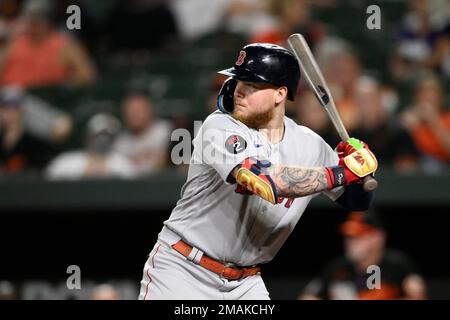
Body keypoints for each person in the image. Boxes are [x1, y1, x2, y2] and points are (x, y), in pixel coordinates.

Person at [138, 43, 378, 300]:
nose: (240, 91)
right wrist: (342, 173)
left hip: (245, 283)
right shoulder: (219, 126)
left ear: (280, 94)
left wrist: (360, 172)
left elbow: (356, 201)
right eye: (239, 81)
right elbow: (267, 182)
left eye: (252, 84)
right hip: (183, 269)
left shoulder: (310, 145)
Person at [299, 210, 427, 300]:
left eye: (358, 236)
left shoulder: (397, 265)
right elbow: (307, 297)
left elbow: (418, 296)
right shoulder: (337, 267)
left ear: (378, 238)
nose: (350, 242)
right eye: (349, 237)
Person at [45, 113, 135, 180]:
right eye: (99, 134)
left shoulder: (122, 164)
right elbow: (49, 178)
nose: (103, 139)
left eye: (108, 135)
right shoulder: (67, 161)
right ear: (88, 136)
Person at [113, 92, 172, 176]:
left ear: (149, 110)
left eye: (139, 110)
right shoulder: (120, 142)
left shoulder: (165, 131)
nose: (134, 114)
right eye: (131, 111)